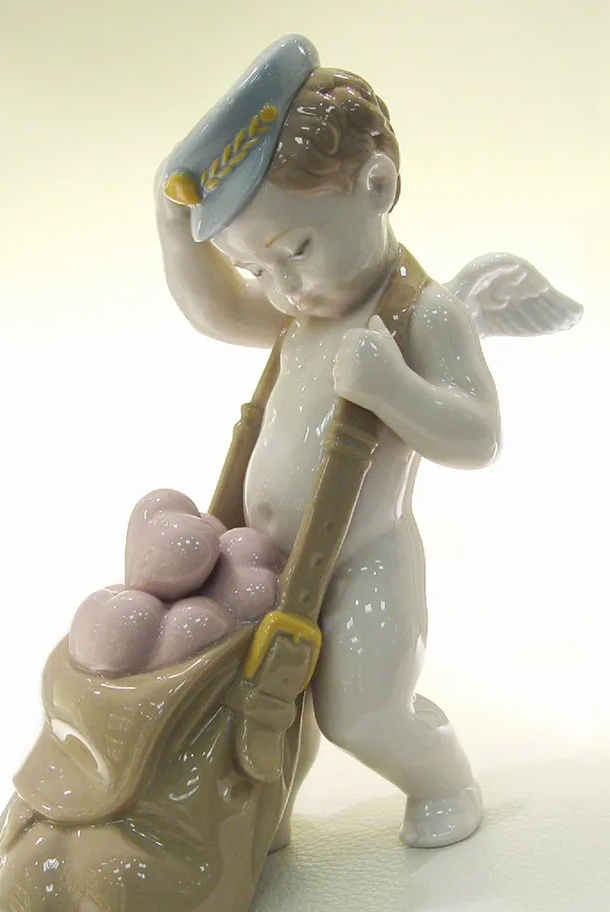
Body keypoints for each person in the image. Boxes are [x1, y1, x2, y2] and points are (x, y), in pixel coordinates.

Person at [154, 35, 500, 847]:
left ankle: (444, 780)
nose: (283, 288)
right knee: (271, 691)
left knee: (361, 711)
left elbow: (478, 435)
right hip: (269, 559)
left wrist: (395, 390)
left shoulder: (422, 314)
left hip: (364, 560)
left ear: (375, 186)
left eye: (297, 251)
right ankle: (267, 816)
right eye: (258, 271)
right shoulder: (303, 310)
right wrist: (175, 231)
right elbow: (217, 313)